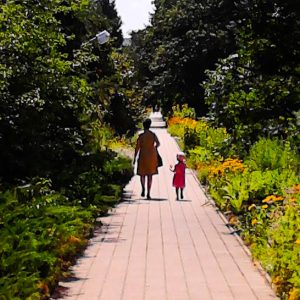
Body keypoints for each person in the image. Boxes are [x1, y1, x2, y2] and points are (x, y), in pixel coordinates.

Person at [133, 118, 160, 199]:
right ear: (150, 125)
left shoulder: (141, 136)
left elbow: (137, 148)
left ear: (143, 126)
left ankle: (143, 188)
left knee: (142, 174)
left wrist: (134, 158)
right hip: (152, 156)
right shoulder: (153, 134)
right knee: (150, 175)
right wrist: (153, 148)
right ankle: (148, 192)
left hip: (143, 156)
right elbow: (158, 143)